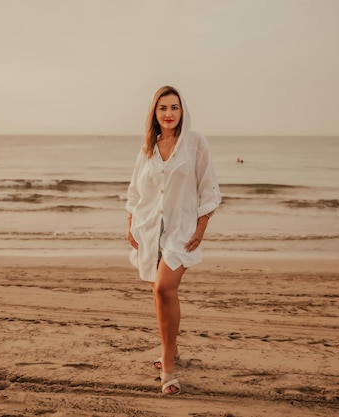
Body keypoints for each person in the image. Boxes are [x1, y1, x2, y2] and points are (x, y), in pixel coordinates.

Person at [126, 85, 221, 395]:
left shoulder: (195, 144)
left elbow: (208, 188)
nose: (169, 113)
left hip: (182, 232)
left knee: (165, 287)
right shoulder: (148, 149)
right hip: (151, 230)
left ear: (183, 111)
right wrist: (131, 224)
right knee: (158, 291)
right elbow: (136, 192)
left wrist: (201, 228)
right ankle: (172, 347)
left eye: (174, 107)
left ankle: (168, 367)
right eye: (163, 108)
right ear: (155, 113)